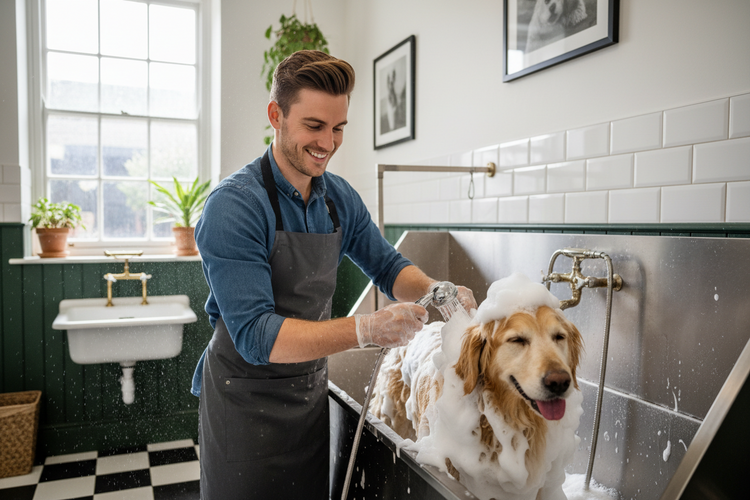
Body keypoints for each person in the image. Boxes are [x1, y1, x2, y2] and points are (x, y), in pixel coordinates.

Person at [191, 50, 476, 500]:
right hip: (243, 405)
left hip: (307, 399)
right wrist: (366, 330)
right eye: (314, 126)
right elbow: (256, 336)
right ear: (276, 116)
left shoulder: (337, 197)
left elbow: (386, 265)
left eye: (338, 127)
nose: (328, 141)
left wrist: (436, 292)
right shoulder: (234, 206)